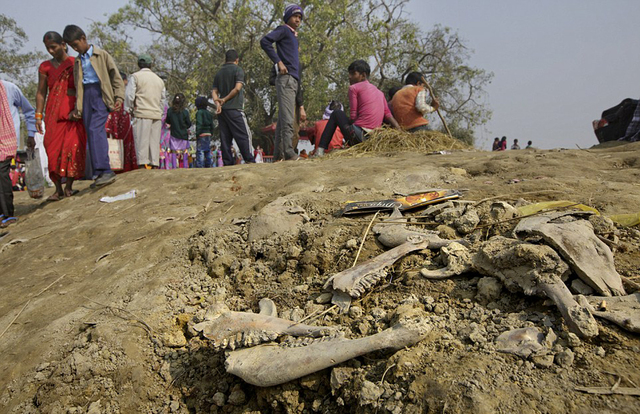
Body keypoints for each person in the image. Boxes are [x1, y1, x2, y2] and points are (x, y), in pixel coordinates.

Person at [63, 25, 124, 187]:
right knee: (89, 132)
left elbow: (115, 77)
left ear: (83, 39)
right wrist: (78, 107)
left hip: (100, 94)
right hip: (85, 97)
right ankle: (98, 172)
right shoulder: (77, 61)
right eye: (72, 47)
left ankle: (106, 169)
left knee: (95, 130)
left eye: (76, 45)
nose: (75, 49)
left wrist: (118, 96)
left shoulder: (101, 55)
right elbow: (77, 85)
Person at [35, 31, 86, 201]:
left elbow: (82, 88)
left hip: (72, 113)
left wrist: (78, 110)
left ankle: (69, 186)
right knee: (52, 149)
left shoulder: (75, 62)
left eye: (54, 47)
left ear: (63, 45)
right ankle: (58, 189)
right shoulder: (45, 67)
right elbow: (41, 93)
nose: (50, 51)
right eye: (47, 48)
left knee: (72, 148)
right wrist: (38, 116)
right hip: (53, 114)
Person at [314, 60, 400, 157]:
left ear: (363, 75)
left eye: (353, 74)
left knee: (336, 113)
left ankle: (320, 150)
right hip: (374, 140)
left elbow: (353, 116)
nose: (349, 77)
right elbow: (388, 115)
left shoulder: (354, 88)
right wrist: (400, 132)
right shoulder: (380, 93)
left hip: (359, 137)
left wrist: (349, 124)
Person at [260, 4, 304, 161]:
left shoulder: (293, 36)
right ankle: (289, 151)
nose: (298, 19)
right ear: (287, 17)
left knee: (283, 118)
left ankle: (278, 155)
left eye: (300, 17)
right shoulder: (284, 30)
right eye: (295, 16)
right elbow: (265, 41)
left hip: (292, 80)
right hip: (285, 79)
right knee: (287, 119)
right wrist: (278, 62)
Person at [0, 80, 36, 228]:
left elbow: (28, 110)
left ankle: (7, 214)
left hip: (6, 140)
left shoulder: (9, 89)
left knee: (1, 174)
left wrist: (31, 134)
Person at [211, 49, 255, 166]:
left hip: (223, 111)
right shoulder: (238, 70)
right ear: (237, 60)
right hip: (235, 108)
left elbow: (214, 91)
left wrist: (218, 103)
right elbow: (237, 89)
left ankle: (227, 162)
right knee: (244, 135)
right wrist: (225, 99)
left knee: (225, 137)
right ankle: (249, 159)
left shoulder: (219, 73)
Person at [125, 54, 166, 169]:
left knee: (141, 140)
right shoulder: (159, 80)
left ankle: (142, 164)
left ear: (139, 65)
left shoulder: (135, 76)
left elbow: (129, 95)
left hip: (142, 112)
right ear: (151, 65)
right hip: (156, 113)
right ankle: (154, 163)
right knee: (154, 140)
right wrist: (160, 112)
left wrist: (128, 109)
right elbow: (163, 99)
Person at [105, 72, 137, 172]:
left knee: (125, 142)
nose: (126, 82)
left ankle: (123, 165)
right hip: (115, 118)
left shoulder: (122, 91)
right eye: (125, 80)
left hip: (122, 120)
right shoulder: (114, 92)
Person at [165, 93, 191, 169]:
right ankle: (185, 167)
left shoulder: (170, 111)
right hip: (183, 136)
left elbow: (168, 121)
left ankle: (174, 167)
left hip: (174, 135)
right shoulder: (185, 112)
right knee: (184, 152)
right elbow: (188, 124)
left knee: (173, 152)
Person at [194, 96, 214, 168]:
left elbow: (199, 124)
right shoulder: (209, 113)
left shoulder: (199, 113)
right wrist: (211, 132)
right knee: (207, 150)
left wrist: (197, 134)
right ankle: (208, 164)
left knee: (200, 150)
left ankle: (200, 165)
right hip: (208, 133)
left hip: (201, 134)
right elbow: (212, 125)